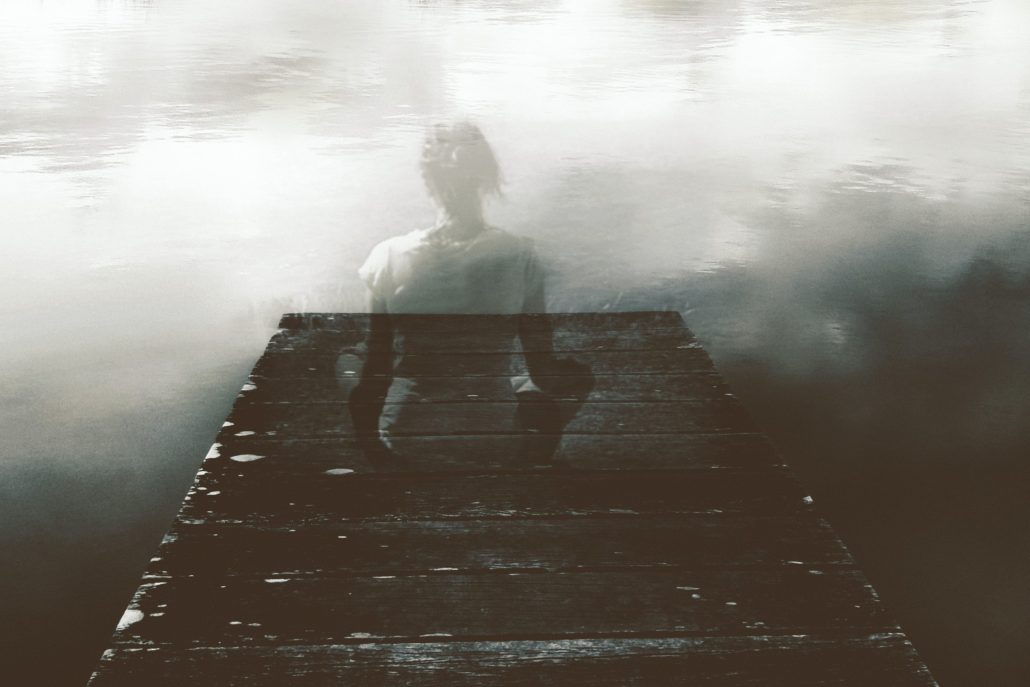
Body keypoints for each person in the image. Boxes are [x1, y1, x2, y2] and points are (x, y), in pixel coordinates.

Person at [348, 122, 591, 467]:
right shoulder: (520, 255)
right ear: (486, 179)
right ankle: (526, 461)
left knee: (347, 362)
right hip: (491, 442)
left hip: (406, 441)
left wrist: (374, 451)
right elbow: (542, 373)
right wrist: (574, 373)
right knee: (552, 382)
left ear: (426, 180)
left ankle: (386, 457)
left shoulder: (387, 256)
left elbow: (376, 370)